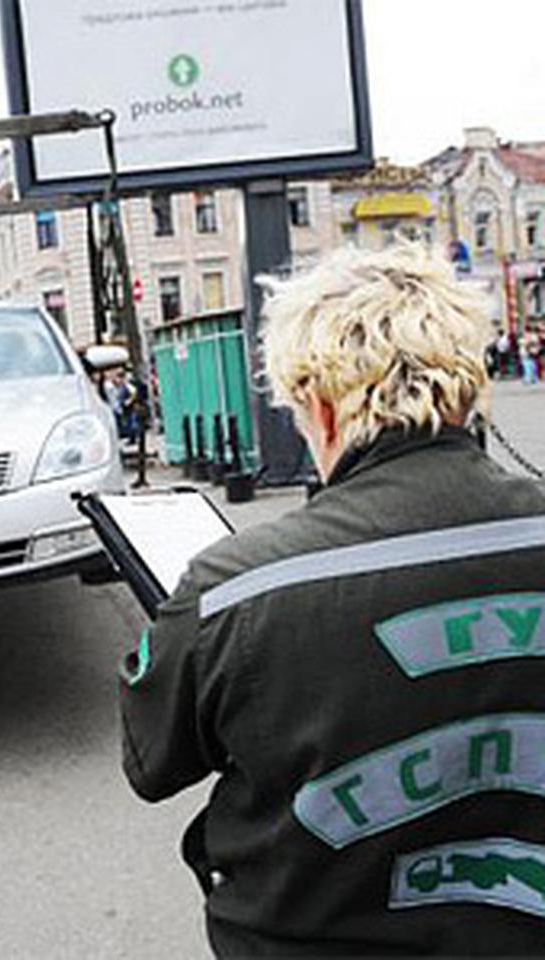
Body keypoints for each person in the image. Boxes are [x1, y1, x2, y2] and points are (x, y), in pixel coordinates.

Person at [119, 243, 545, 956]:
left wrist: (185, 630)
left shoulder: (235, 587)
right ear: (469, 390)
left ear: (317, 405)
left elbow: (153, 762)